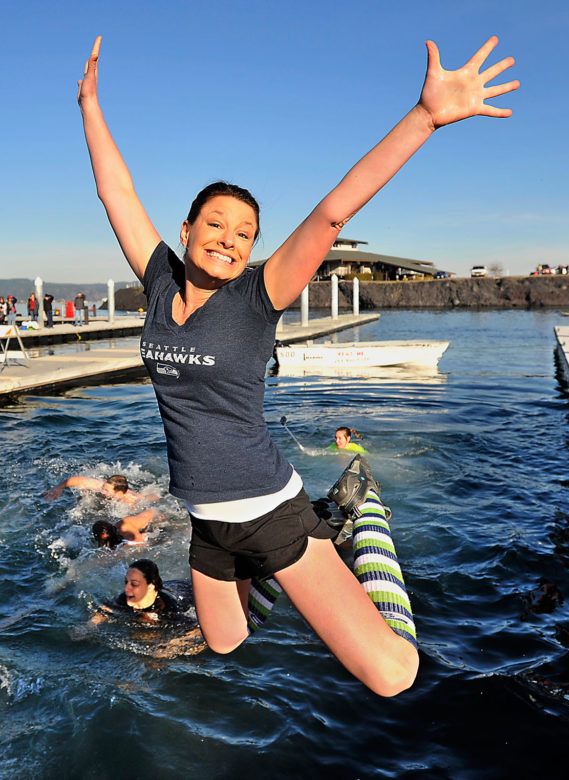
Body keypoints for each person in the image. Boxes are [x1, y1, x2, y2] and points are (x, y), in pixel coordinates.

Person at [77, 34, 518, 696]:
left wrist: (425, 116)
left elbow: (335, 206)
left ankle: (354, 528)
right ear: (188, 229)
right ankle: (308, 540)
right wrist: (89, 105)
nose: (230, 238)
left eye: (245, 232)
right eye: (217, 224)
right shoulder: (160, 279)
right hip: (208, 522)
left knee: (394, 675)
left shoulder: (259, 294)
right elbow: (116, 192)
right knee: (225, 641)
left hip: (267, 509)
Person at [93, 559, 190, 625]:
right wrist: (90, 626)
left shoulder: (169, 608)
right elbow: (104, 610)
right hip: (167, 586)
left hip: (186, 589)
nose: (127, 588)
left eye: (134, 584)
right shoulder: (124, 598)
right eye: (126, 582)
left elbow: (197, 629)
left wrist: (173, 646)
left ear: (150, 586)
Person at [45, 473, 150, 506]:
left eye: (107, 491)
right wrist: (58, 488)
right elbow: (75, 480)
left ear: (119, 493)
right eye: (104, 488)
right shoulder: (101, 486)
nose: (102, 491)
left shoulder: (130, 501)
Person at [91, 508, 160, 548]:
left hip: (158, 519)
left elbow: (140, 543)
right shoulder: (112, 532)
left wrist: (123, 551)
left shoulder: (124, 528)